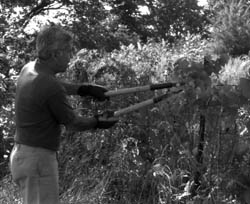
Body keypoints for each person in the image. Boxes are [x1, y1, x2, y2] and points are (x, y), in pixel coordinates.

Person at [9, 25, 118, 204]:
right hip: (38, 161)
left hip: (22, 155)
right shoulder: (50, 86)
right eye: (68, 51)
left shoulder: (29, 69)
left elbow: (54, 85)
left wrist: (84, 89)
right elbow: (73, 123)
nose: (70, 56)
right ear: (55, 54)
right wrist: (97, 121)